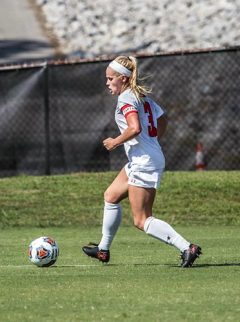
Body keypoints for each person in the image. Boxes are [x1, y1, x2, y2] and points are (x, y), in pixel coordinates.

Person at [82, 55, 201, 268]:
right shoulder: (142, 96)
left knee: (141, 220)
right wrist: (151, 141)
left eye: (110, 79)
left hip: (144, 162)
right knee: (110, 196)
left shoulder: (127, 98)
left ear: (124, 79)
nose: (107, 83)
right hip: (144, 158)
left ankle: (186, 247)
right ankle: (103, 249)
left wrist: (115, 142)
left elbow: (134, 127)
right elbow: (163, 119)